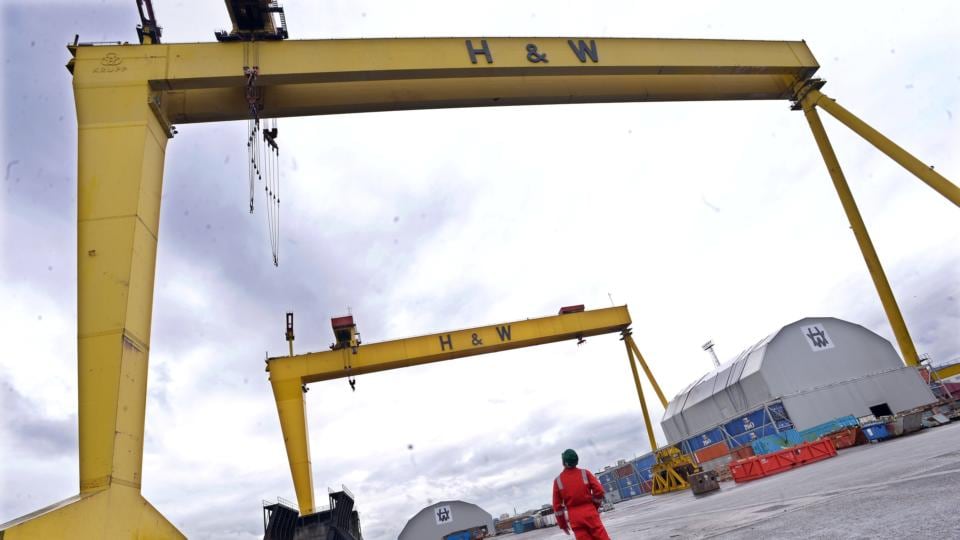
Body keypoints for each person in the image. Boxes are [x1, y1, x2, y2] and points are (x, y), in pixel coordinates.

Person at [551, 449, 611, 540]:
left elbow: (557, 507)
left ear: (564, 462)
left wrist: (563, 524)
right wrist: (594, 506)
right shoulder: (585, 473)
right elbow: (599, 491)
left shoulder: (558, 481)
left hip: (575, 518)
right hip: (590, 513)